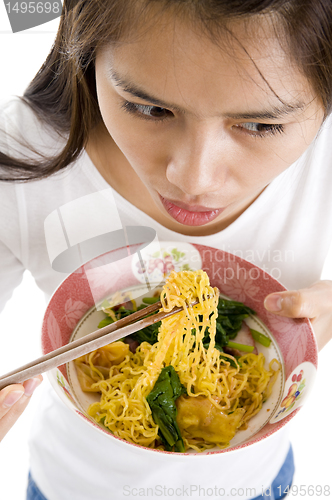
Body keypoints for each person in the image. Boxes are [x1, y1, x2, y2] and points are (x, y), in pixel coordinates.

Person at [1, 0, 332, 499]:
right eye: (149, 108)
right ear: (85, 54)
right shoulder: (20, 157)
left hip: (258, 483)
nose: (194, 180)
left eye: (261, 126)